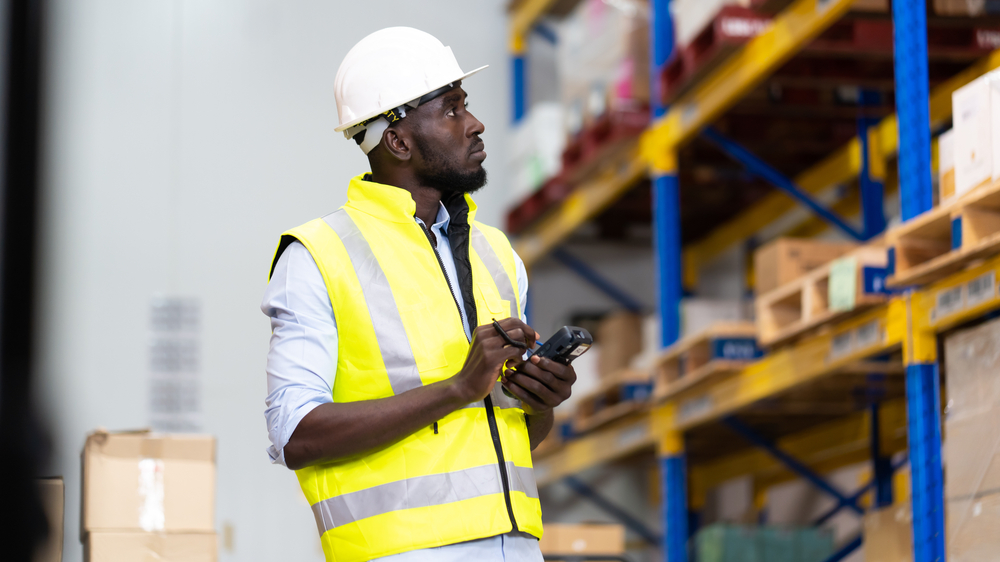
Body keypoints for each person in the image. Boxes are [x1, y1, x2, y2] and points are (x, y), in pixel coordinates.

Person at [261, 27, 577, 562]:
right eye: (452, 109)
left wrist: (539, 401)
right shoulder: (318, 257)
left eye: (465, 104)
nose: (475, 123)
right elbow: (295, 435)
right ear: (398, 141)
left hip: (517, 550)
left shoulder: (497, 254)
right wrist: (458, 388)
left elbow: (504, 438)